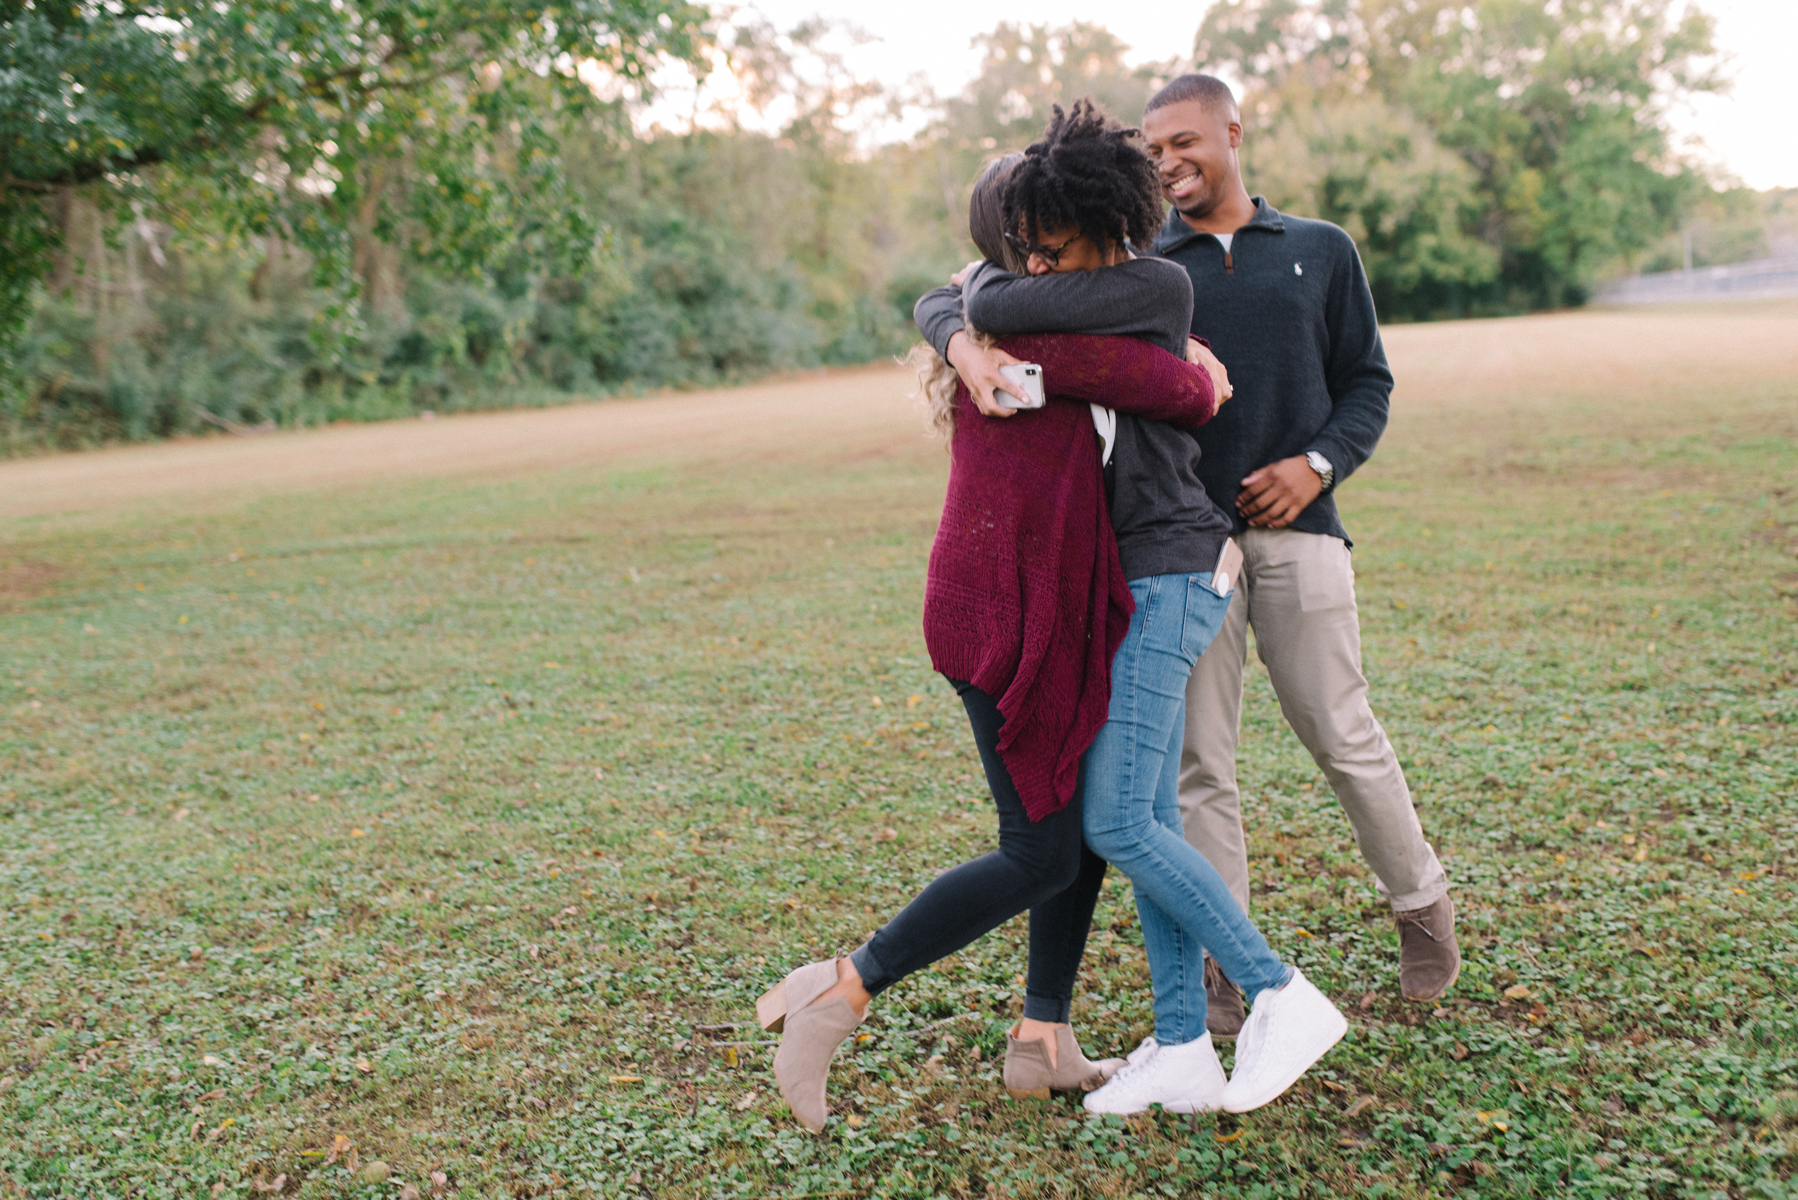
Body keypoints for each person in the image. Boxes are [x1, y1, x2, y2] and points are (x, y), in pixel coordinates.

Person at [756, 142, 1227, 1133]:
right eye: (1041, 249)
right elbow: (1184, 394)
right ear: (1018, 253)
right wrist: (1193, 373)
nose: (1062, 267)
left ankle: (1041, 1040)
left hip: (1042, 605)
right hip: (1003, 616)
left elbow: (988, 301)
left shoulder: (1005, 326)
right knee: (1040, 851)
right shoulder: (1033, 347)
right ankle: (838, 994)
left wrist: (954, 319)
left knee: (1083, 819)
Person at [918, 101, 1346, 1119]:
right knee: (1146, 816)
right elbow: (981, 302)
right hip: (1142, 576)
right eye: (1021, 250)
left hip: (1172, 571)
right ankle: (1182, 1046)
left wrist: (968, 330)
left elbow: (1012, 319)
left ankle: (1281, 993)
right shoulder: (1082, 296)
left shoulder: (1149, 280)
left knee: (1112, 819)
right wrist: (958, 327)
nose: (1037, 266)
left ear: (1094, 225)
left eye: (1045, 245)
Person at [1137, 74, 1459, 1029]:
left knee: (1343, 734)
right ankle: (1224, 969)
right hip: (1185, 553)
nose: (1169, 165)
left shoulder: (1320, 251)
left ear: (1234, 133)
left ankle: (1422, 906)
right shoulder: (1148, 272)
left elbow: (1368, 383)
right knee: (1201, 766)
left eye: (1185, 142)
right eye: (1154, 152)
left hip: (1302, 532)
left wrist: (1316, 465)